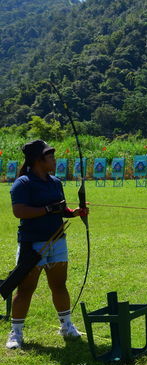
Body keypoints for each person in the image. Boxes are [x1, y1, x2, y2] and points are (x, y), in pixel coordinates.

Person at [6, 140, 89, 349]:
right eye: (50, 156)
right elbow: (20, 211)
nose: (54, 159)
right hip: (32, 244)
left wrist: (74, 212)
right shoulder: (23, 183)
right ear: (38, 160)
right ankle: (16, 333)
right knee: (26, 289)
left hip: (57, 241)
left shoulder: (55, 182)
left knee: (59, 285)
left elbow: (61, 209)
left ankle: (66, 326)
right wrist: (47, 209)